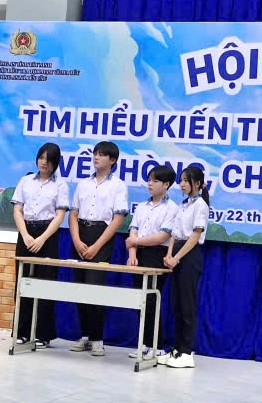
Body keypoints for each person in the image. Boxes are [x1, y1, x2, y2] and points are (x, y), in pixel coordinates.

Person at [68, 141, 128, 356]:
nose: (96, 157)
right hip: (81, 234)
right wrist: (76, 240)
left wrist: (97, 246)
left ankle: (97, 338)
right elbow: (73, 213)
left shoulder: (118, 185)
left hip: (101, 236)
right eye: (94, 154)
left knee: (95, 288)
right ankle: (84, 335)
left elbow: (118, 218)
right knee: (79, 287)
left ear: (112, 160)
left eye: (101, 155)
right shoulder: (84, 183)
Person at [10, 143, 68, 348]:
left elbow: (59, 215)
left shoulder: (60, 185)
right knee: (23, 282)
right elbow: (18, 210)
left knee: (46, 284)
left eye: (49, 159)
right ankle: (22, 331)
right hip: (26, 232)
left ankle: (43, 334)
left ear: (55, 162)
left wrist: (42, 238)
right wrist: (25, 234)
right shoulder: (25, 181)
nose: (44, 163)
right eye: (41, 158)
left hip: (48, 234)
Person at [157, 166, 210, 369]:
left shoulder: (201, 205)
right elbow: (175, 233)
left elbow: (195, 236)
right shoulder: (184, 204)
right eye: (181, 181)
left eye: (186, 181)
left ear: (197, 183)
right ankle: (176, 349)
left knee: (187, 305)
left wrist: (177, 258)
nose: (182, 184)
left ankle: (187, 352)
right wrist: (169, 255)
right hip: (177, 252)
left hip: (189, 255)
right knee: (177, 304)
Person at [125, 165, 178, 361]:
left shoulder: (172, 208)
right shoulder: (141, 206)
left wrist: (135, 242)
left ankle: (158, 345)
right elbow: (133, 231)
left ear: (166, 184)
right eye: (149, 180)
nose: (150, 184)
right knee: (140, 300)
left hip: (157, 255)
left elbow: (162, 236)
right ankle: (145, 344)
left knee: (152, 300)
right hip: (139, 254)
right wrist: (132, 253)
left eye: (155, 181)